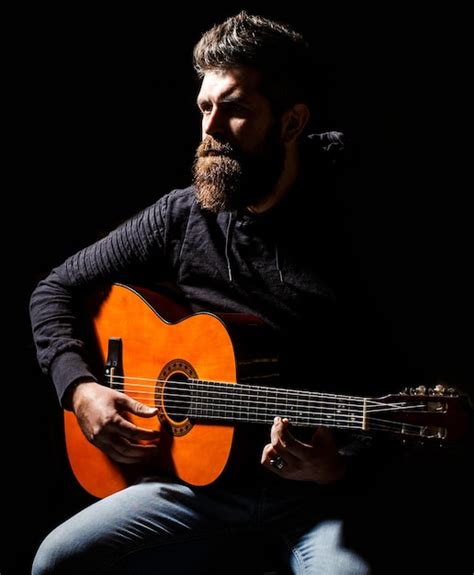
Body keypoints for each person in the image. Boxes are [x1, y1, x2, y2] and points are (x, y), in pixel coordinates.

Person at [30, 11, 404, 575]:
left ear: (290, 122)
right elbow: (54, 288)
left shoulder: (358, 220)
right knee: (55, 560)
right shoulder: (183, 215)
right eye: (205, 106)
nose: (210, 129)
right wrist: (80, 388)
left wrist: (341, 466)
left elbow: (403, 371)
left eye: (235, 110)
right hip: (193, 486)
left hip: (317, 500)